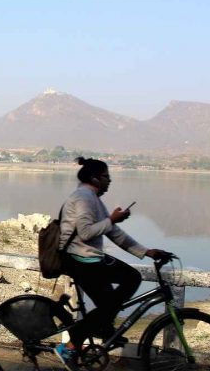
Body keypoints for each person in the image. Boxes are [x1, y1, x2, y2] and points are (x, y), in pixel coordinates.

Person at [54, 157, 169, 370]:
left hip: (89, 257)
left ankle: (103, 330)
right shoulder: (84, 198)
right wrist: (112, 220)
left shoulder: (94, 199)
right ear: (94, 178)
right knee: (126, 283)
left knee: (109, 306)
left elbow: (113, 233)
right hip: (80, 259)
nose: (110, 181)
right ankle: (70, 344)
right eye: (107, 176)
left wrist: (146, 252)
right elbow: (86, 232)